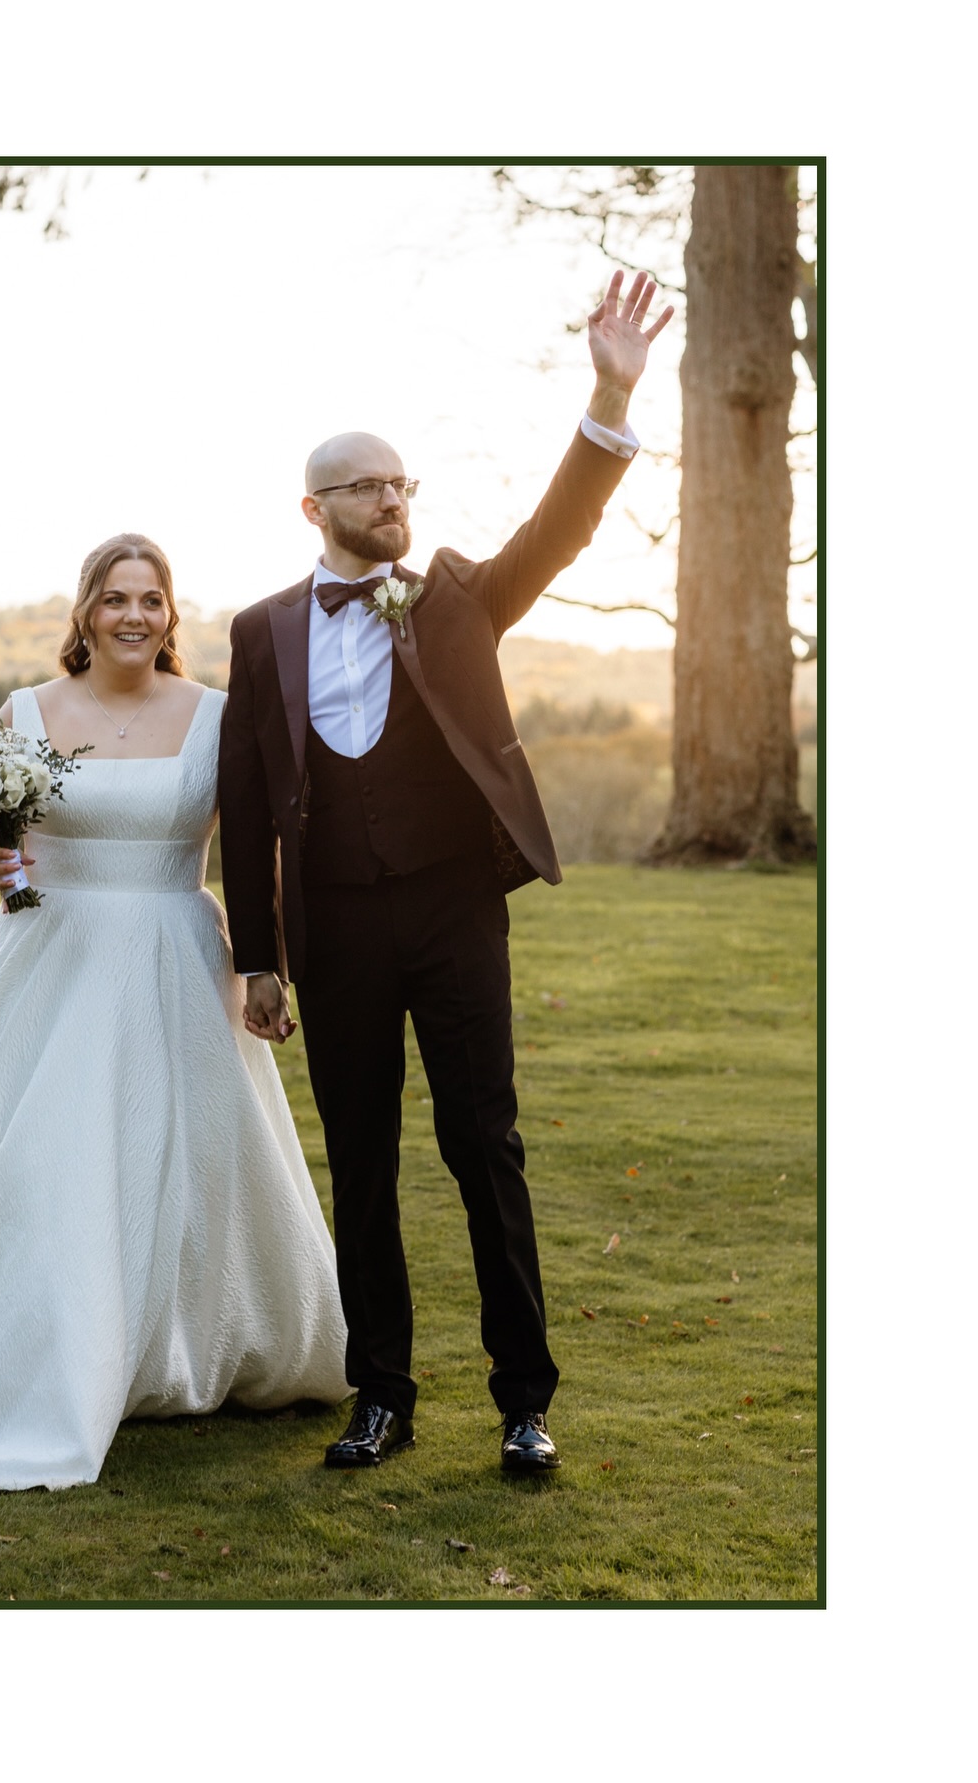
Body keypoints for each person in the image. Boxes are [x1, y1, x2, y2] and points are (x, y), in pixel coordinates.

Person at [218, 270, 672, 1473]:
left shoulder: (458, 595)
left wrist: (608, 394)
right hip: (338, 929)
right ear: (312, 506)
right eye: (368, 485)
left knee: (485, 1145)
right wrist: (258, 958)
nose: (392, 499)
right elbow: (250, 798)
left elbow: (557, 532)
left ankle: (523, 1401)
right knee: (362, 1159)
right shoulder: (262, 630)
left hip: (454, 910)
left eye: (401, 483)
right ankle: (383, 1398)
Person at [0, 534, 349, 1491]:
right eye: (115, 599)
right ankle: (46, 1355)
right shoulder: (28, 711)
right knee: (53, 1162)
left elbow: (258, 849)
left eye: (151, 600)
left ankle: (172, 1345)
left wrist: (268, 971)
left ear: (169, 616)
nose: (134, 616)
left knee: (172, 1157)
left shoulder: (219, 716)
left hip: (177, 956)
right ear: (85, 612)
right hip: (52, 964)